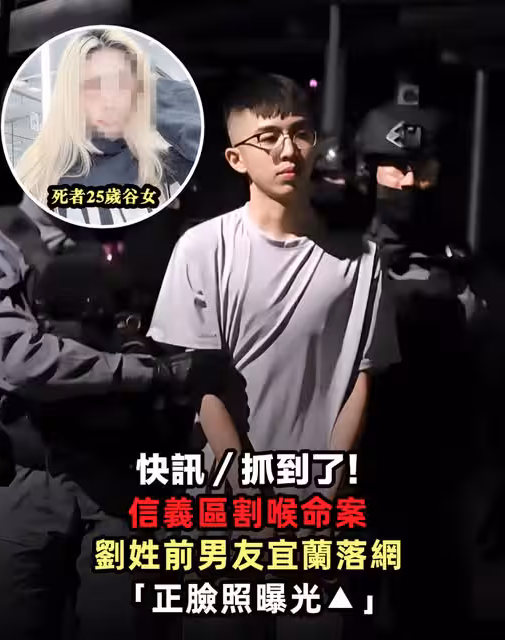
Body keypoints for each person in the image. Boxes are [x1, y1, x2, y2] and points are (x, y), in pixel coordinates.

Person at [148, 71, 399, 640]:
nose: (288, 150)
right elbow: (202, 381)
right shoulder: (203, 247)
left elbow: (360, 380)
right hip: (222, 503)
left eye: (300, 132)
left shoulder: (361, 261)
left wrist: (325, 496)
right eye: (268, 137)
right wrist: (246, 493)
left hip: (320, 509)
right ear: (236, 158)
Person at [0, 191, 238, 640]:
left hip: (126, 476)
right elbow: (16, 361)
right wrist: (149, 372)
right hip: (30, 476)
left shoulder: (160, 235)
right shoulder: (3, 238)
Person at [355, 95, 473, 638]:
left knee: (431, 609)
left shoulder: (463, 267)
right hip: (350, 467)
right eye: (394, 169)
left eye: (421, 170)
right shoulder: (334, 258)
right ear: (368, 173)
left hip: (433, 471)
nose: (408, 182)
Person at [14, 29, 199, 226]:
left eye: (121, 84)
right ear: (71, 95)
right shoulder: (39, 181)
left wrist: (154, 92)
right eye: (94, 85)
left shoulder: (167, 167)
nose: (110, 101)